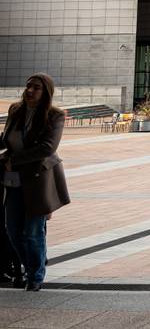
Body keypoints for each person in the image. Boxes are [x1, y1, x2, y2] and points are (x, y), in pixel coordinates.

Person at [1, 74, 70, 291]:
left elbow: (47, 147)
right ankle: (34, 264)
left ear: (46, 92)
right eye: (28, 86)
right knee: (13, 230)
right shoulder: (15, 110)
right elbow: (7, 139)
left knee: (32, 232)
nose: (30, 90)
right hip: (13, 178)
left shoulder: (54, 115)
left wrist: (14, 160)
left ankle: (35, 276)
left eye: (36, 88)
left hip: (38, 179)